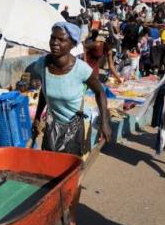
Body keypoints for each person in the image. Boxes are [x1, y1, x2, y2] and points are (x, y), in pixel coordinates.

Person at [33, 22, 112, 154]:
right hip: (52, 126)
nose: (54, 42)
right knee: (49, 166)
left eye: (61, 39)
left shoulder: (81, 69)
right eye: (53, 38)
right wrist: (37, 117)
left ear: (72, 44)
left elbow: (100, 92)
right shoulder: (43, 64)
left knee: (70, 169)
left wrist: (104, 122)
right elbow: (44, 91)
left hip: (75, 127)